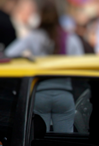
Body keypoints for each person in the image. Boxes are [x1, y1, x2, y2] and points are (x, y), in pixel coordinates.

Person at [5, 1, 83, 133]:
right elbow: (82, 63)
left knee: (39, 139)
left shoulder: (33, 36)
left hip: (40, 94)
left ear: (40, 15)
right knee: (64, 141)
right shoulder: (70, 38)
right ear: (58, 15)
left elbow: (9, 54)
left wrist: (27, 61)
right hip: (64, 93)